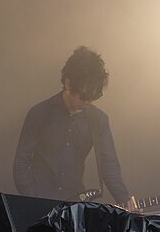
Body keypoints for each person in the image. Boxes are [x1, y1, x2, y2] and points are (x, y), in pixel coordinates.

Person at [13, 46, 133, 207]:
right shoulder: (39, 113)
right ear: (68, 83)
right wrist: (32, 201)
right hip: (39, 202)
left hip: (74, 206)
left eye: (94, 97)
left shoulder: (99, 120)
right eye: (84, 96)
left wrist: (124, 199)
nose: (88, 102)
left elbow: (108, 165)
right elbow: (21, 162)